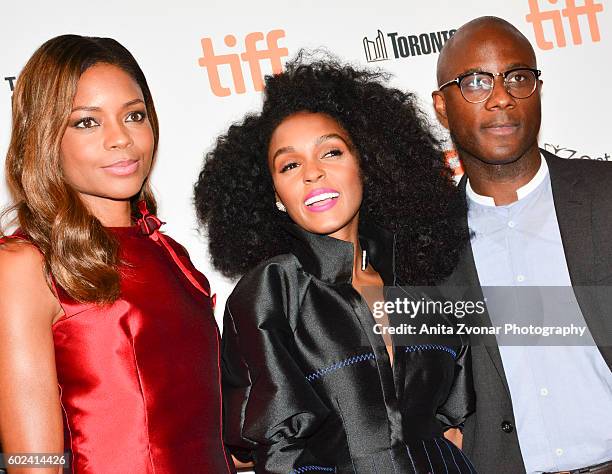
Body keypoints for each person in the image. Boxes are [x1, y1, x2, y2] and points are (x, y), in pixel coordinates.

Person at [195, 54, 477, 473]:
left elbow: (454, 418)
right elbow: (279, 453)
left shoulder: (418, 277)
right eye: (290, 165)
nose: (313, 174)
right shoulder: (271, 294)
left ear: (366, 164)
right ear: (274, 193)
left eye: (331, 152)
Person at [0, 35, 233, 473]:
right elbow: (33, 464)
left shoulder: (170, 253)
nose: (121, 139)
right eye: (87, 122)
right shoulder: (24, 265)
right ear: (45, 136)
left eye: (134, 115)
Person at [432, 16, 612, 474]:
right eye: (475, 81)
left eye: (518, 77)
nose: (501, 97)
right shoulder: (425, 247)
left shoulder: (604, 195)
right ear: (441, 106)